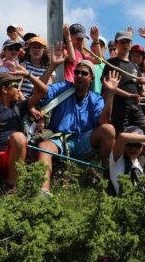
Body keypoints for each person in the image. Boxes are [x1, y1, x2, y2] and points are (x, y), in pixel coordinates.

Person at [36, 60, 117, 195]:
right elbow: (39, 90)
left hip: (82, 141)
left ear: (91, 78)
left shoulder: (96, 99)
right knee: (44, 147)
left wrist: (111, 94)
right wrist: (52, 65)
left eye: (84, 73)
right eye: (76, 72)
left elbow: (103, 122)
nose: (79, 75)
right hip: (60, 139)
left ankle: (107, 179)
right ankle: (43, 193)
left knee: (109, 130)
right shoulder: (64, 88)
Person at [0, 55, 48, 191]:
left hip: (13, 155)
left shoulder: (19, 108)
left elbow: (43, 90)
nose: (19, 89)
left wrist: (27, 74)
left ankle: (10, 187)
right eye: (15, 85)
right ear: (4, 89)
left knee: (18, 137)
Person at [101, 30, 145, 135]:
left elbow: (139, 90)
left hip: (135, 106)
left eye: (128, 42)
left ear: (131, 44)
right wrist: (128, 95)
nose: (125, 45)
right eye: (122, 42)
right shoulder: (111, 63)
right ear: (116, 44)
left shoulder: (135, 66)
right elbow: (108, 86)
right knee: (121, 135)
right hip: (118, 106)